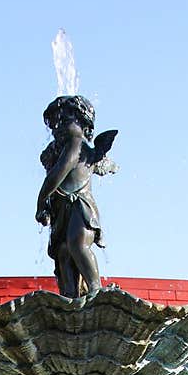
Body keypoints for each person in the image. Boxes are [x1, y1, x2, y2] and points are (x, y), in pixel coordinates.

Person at [36, 95, 117, 298]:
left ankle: (95, 290)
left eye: (64, 121)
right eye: (55, 124)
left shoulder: (76, 144)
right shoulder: (61, 148)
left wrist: (40, 203)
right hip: (61, 209)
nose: (59, 128)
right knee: (62, 252)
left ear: (83, 122)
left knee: (77, 243)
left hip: (81, 208)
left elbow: (55, 177)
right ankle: (70, 297)